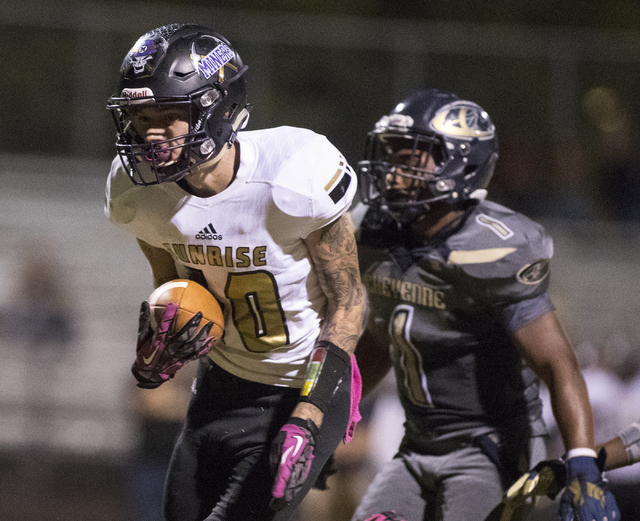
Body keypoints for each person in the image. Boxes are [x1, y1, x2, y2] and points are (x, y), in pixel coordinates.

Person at [104, 23, 366, 521]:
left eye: (169, 115)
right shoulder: (140, 193)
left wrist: (308, 419)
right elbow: (173, 287)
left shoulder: (293, 173)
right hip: (222, 382)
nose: (151, 133)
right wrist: (167, 334)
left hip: (303, 384)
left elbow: (349, 303)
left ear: (219, 108)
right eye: (141, 117)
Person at [349, 89, 618, 521]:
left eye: (411, 160)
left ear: (461, 164)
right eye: (391, 155)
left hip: (490, 446)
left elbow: (555, 362)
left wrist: (583, 460)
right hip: (416, 445)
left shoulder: (493, 248)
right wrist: (327, 422)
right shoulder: (378, 234)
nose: (393, 173)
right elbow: (381, 341)